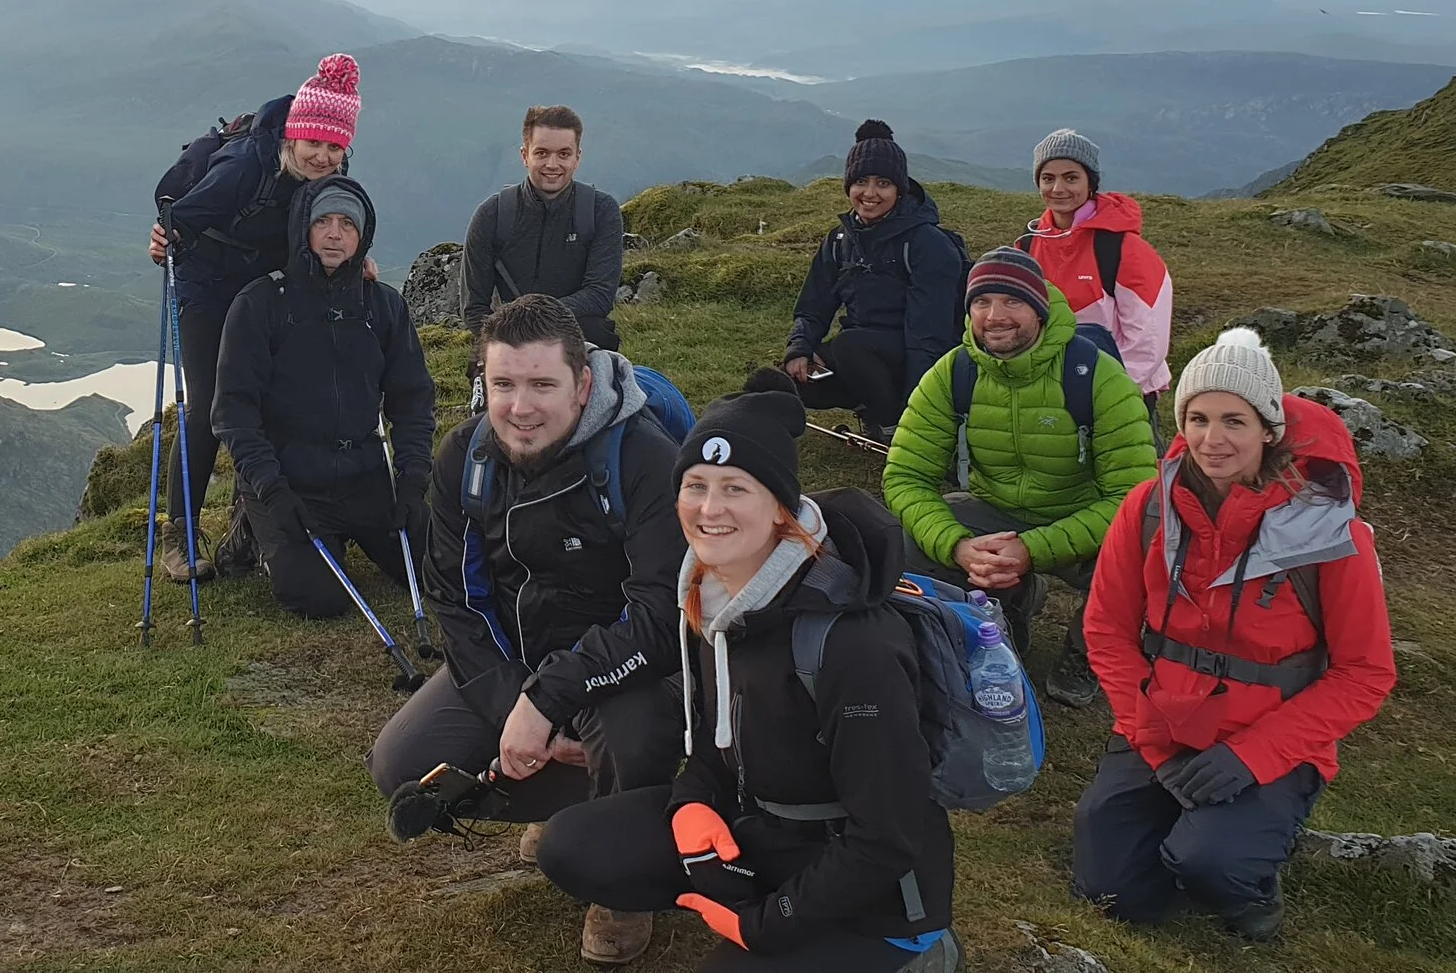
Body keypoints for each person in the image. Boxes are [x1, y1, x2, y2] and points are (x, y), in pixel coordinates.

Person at [536, 370, 959, 973]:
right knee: (576, 847)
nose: (710, 509)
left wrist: (765, 925)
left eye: (736, 488)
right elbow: (717, 747)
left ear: (781, 507)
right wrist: (691, 806)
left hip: (877, 895)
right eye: (695, 485)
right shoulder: (713, 598)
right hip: (761, 830)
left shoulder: (851, 644)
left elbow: (888, 836)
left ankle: (922, 961)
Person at [369, 294, 684, 967]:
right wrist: (517, 699)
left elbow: (662, 614)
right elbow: (455, 598)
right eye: (504, 384)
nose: (520, 407)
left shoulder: (644, 460)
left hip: (631, 665)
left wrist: (548, 701)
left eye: (543, 384)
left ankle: (623, 885)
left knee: (631, 734)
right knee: (402, 760)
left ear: (583, 383)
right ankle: (573, 805)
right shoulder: (467, 458)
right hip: (523, 655)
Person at [1074, 328, 1396, 942]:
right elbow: (1107, 629)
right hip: (1161, 723)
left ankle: (1249, 888)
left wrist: (1251, 757)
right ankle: (1192, 832)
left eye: (1234, 421)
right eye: (1196, 418)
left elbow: (1365, 674)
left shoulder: (1332, 534)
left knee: (1211, 867)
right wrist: (1153, 741)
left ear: (1269, 429)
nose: (1211, 439)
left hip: (1268, 735)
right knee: (1109, 891)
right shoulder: (1148, 507)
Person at [882, 247, 1155, 707]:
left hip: (1082, 520)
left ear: (1039, 308)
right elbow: (905, 477)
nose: (995, 317)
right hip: (995, 517)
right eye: (982, 303)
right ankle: (1000, 611)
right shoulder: (954, 374)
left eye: (1012, 302)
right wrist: (958, 546)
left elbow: (1135, 496)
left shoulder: (1097, 377)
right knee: (909, 539)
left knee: (1150, 545)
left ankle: (1087, 649)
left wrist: (1033, 549)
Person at [149, 52, 361, 582]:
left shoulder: (328, 175)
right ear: (294, 136)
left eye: (336, 147)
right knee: (209, 406)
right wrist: (164, 241)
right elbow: (180, 216)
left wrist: (358, 258)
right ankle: (179, 532)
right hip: (204, 284)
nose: (324, 156)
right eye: (315, 143)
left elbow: (333, 224)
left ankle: (252, 525)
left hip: (259, 285)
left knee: (273, 397)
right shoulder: (244, 166)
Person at [214, 175, 435, 619]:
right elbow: (234, 413)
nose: (335, 234)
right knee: (321, 598)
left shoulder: (383, 306)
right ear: (303, 228)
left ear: (363, 235)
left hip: (365, 476)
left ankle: (341, 536)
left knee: (437, 570)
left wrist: (412, 482)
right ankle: (254, 529)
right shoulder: (261, 304)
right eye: (323, 222)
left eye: (348, 225)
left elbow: (412, 399)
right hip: (290, 481)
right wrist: (273, 490)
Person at [783, 120, 965, 440]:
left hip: (917, 356)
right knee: (794, 382)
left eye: (883, 183)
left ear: (899, 189)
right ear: (848, 186)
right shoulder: (840, 240)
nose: (870, 194)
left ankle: (893, 424)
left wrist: (918, 411)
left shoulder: (927, 243)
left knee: (850, 346)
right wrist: (800, 348)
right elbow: (813, 305)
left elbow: (929, 336)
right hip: (864, 357)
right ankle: (872, 404)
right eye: (861, 182)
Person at [1018, 129, 1175, 409]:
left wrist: (1110, 389)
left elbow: (1148, 339)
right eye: (1048, 178)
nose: (1058, 189)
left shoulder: (1123, 247)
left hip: (1121, 392)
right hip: (1052, 392)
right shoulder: (1027, 245)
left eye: (1071, 177)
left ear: (1091, 182)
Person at [461, 105, 628, 350]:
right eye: (541, 153)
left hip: (579, 339)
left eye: (563, 154)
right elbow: (474, 307)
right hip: (508, 341)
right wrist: (513, 337)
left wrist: (533, 323)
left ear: (577, 158)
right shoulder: (492, 215)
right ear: (524, 155)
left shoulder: (600, 210)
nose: (552, 164)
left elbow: (600, 295)